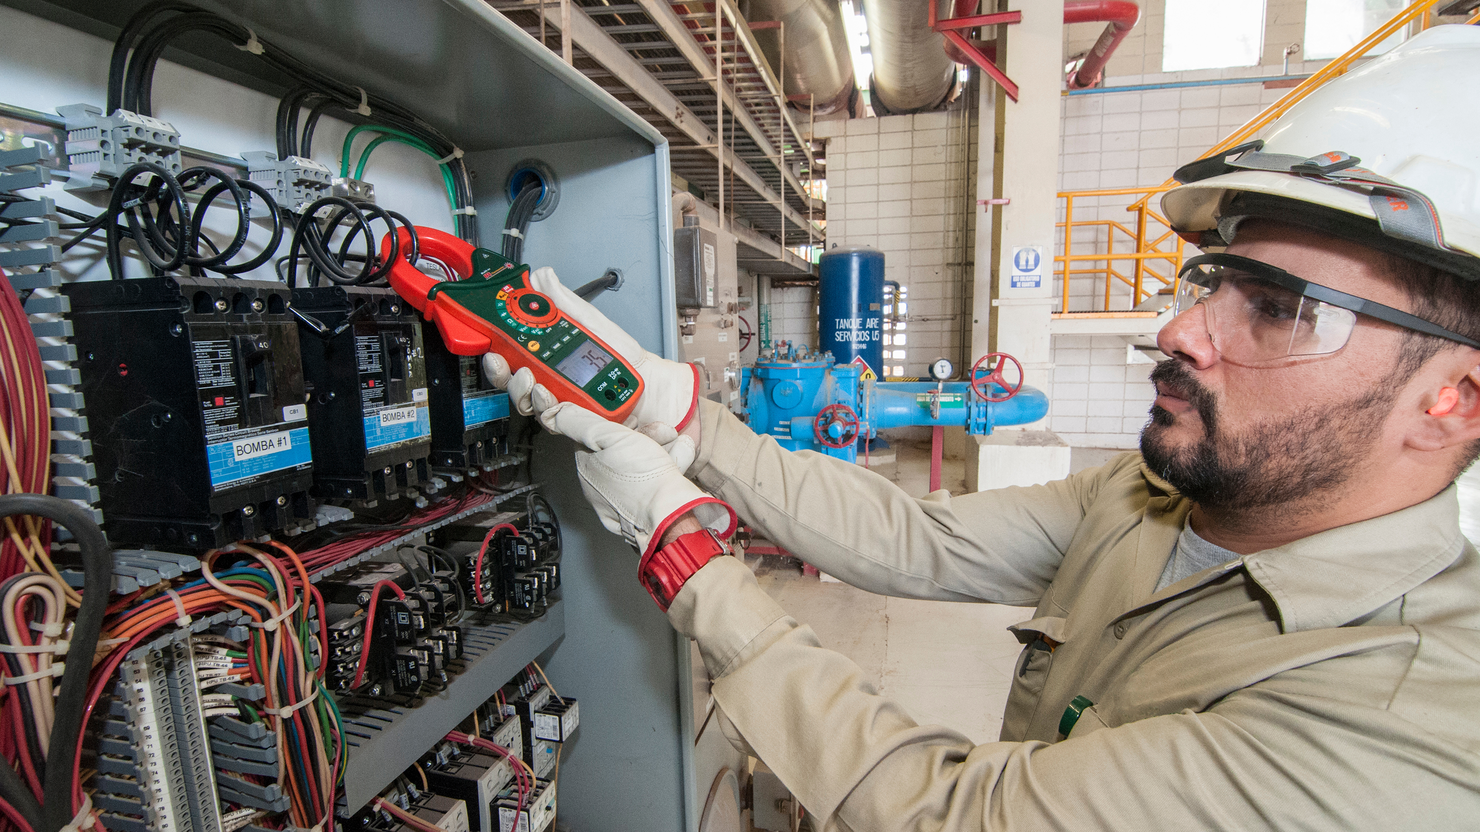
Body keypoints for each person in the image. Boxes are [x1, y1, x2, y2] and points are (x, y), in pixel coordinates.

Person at [484, 25, 1480, 831]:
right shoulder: (1155, 499)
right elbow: (916, 537)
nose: (1180, 330)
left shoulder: (1403, 725)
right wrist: (677, 412)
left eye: (1279, 308)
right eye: (1210, 282)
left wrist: (682, 549)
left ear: (1456, 398)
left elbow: (952, 815)